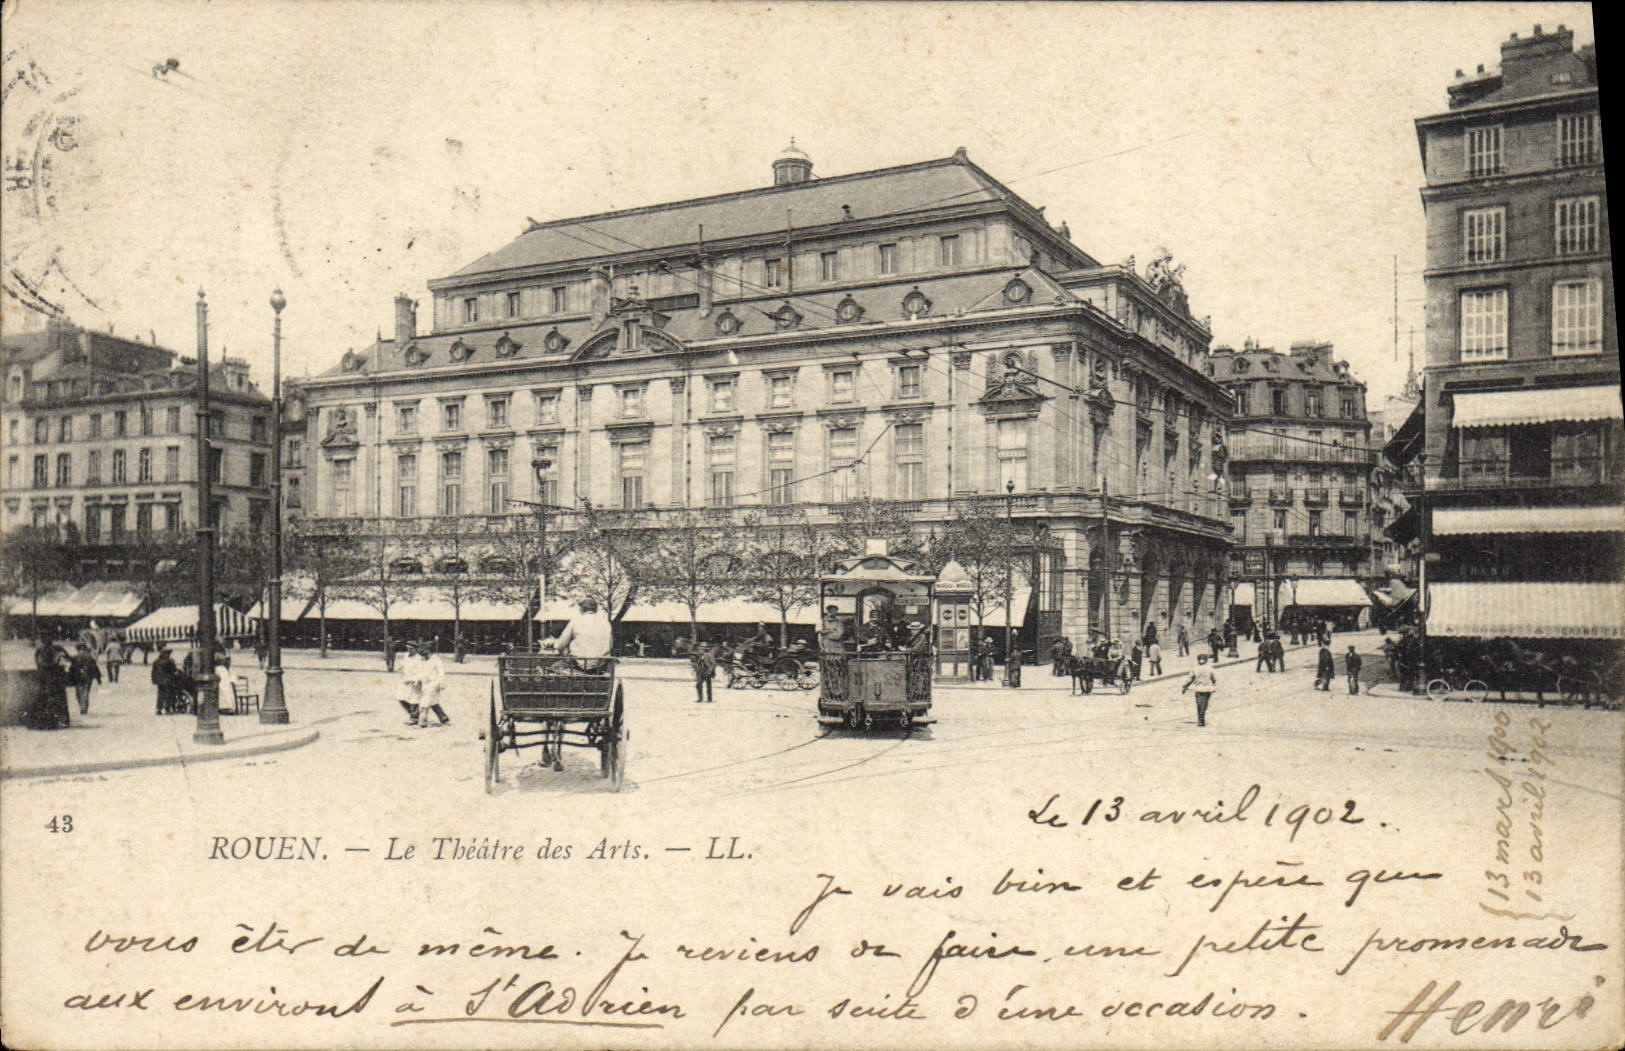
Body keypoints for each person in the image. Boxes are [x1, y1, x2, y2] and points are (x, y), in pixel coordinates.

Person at [547, 598, 614, 669]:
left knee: (553, 668)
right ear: (596, 610)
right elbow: (610, 645)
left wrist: (555, 644)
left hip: (579, 664)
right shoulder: (606, 623)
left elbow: (560, 644)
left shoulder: (575, 621)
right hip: (600, 664)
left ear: (581, 609)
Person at [417, 643, 451, 727]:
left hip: (433, 683)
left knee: (424, 703)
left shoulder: (436, 660)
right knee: (433, 702)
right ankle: (444, 718)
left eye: (423, 650)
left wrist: (441, 684)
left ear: (428, 650)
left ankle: (422, 722)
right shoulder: (422, 660)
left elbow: (441, 672)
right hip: (424, 684)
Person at [1181, 653, 1217, 727]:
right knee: (1205, 704)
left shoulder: (1195, 668)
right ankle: (1201, 719)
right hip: (1207, 689)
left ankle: (1200, 720)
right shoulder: (1209, 668)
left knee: (1199, 704)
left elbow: (1190, 679)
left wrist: (1184, 686)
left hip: (1198, 689)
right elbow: (1214, 678)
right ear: (1206, 660)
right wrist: (1213, 684)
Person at [68, 643, 102, 716]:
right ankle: (84, 708)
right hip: (88, 678)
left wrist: (69, 678)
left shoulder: (75, 658)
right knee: (85, 692)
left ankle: (82, 707)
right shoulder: (90, 657)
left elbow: (71, 669)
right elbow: (95, 668)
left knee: (79, 693)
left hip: (78, 678)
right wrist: (98, 678)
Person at [397, 643, 425, 723]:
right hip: (405, 680)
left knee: (414, 699)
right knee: (401, 698)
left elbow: (421, 671)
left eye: (411, 649)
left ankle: (414, 718)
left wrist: (415, 679)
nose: (409, 650)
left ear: (416, 649)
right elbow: (402, 665)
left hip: (414, 681)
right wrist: (401, 669)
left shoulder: (419, 659)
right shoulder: (406, 655)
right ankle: (413, 713)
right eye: (408, 648)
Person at [151, 647, 182, 715]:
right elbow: (173, 671)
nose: (168, 654)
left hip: (159, 681)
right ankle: (167, 709)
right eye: (168, 653)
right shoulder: (170, 661)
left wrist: (155, 681)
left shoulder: (156, 661)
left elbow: (153, 672)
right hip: (168, 680)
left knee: (160, 694)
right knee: (168, 694)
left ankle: (158, 709)